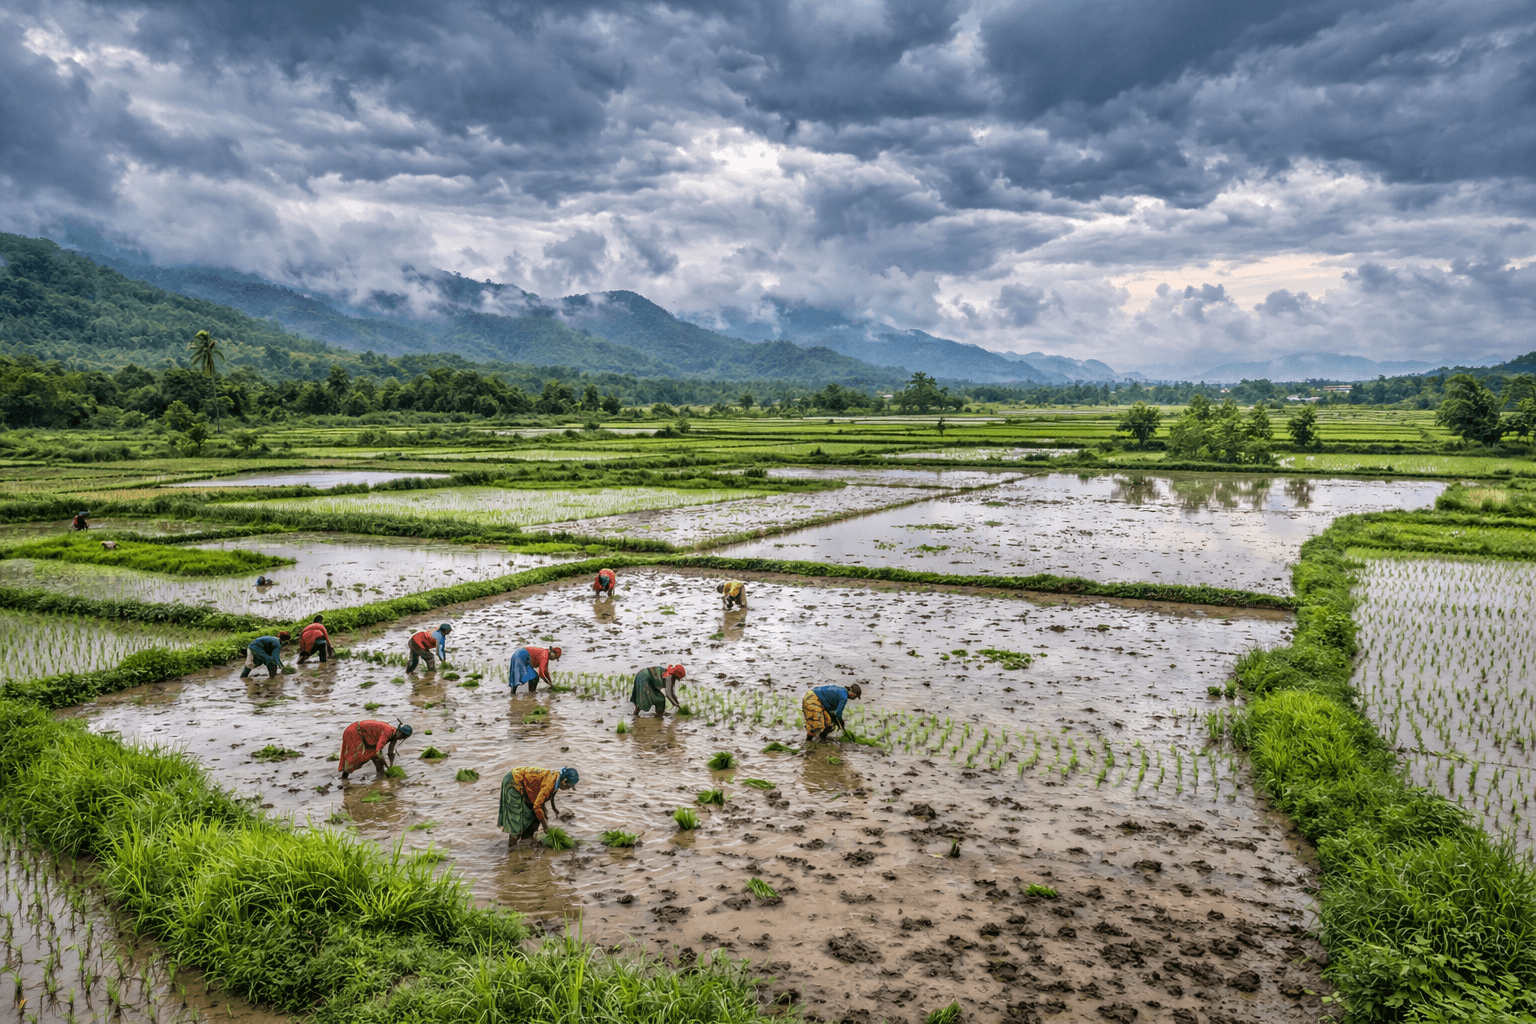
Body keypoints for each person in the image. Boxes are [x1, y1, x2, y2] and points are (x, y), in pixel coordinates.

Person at [498, 766, 578, 845]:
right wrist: (545, 827)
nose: (568, 789)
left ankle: (526, 839)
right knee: (516, 819)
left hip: (525, 783)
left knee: (537, 815)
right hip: (513, 780)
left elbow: (552, 793)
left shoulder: (557, 777)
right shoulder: (550, 784)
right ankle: (512, 850)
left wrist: (554, 809)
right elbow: (537, 807)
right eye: (569, 786)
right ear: (564, 781)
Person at [336, 720, 413, 780]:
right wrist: (387, 765)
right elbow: (378, 751)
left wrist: (391, 766)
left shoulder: (395, 736)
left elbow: (390, 752)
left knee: (376, 758)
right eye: (401, 734)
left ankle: (379, 779)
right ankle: (344, 779)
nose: (401, 737)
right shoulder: (388, 732)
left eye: (404, 737)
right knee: (357, 758)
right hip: (355, 731)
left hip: (365, 737)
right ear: (398, 731)